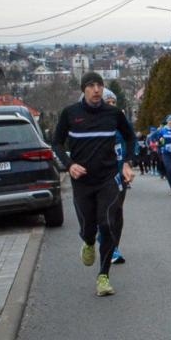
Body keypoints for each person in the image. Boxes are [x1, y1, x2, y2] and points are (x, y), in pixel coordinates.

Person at [51, 72, 135, 297]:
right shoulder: (70, 114)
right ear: (83, 89)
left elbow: (130, 137)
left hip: (107, 178)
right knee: (89, 226)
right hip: (82, 180)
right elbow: (57, 142)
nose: (96, 89)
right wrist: (69, 165)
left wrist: (127, 162)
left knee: (107, 223)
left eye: (99, 85)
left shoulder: (114, 114)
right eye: (91, 86)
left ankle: (103, 276)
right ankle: (88, 242)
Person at [102, 87, 130, 266]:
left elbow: (130, 141)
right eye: (108, 103)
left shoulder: (120, 122)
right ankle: (109, 247)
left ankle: (114, 246)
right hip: (102, 176)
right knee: (108, 212)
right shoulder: (93, 124)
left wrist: (128, 163)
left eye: (113, 103)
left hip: (120, 174)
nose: (112, 106)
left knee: (118, 212)